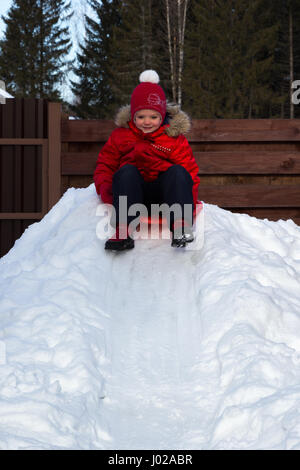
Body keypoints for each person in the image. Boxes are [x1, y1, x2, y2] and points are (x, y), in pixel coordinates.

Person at [93, 70, 200, 251]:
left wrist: (189, 199)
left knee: (178, 172)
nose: (147, 122)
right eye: (141, 117)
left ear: (162, 116)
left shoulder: (173, 138)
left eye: (153, 117)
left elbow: (189, 171)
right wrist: (106, 190)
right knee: (126, 171)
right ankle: (123, 230)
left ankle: (181, 225)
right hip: (132, 195)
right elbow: (105, 165)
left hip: (167, 197)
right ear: (133, 116)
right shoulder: (121, 136)